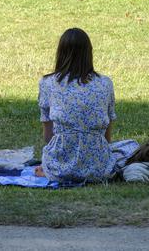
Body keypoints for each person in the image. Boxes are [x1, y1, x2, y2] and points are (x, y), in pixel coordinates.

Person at [35, 27, 121, 184]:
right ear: (89, 53)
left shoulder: (48, 83)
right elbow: (107, 136)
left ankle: (51, 171)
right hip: (99, 168)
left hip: (60, 167)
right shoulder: (105, 83)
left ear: (60, 52)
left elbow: (48, 136)